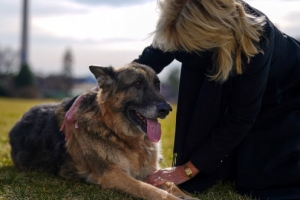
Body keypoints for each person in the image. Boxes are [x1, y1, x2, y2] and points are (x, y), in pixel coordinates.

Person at [61, 0, 300, 199]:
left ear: (208, 36)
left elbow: (242, 116)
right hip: (233, 75)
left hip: (287, 92)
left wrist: (186, 170)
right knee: (216, 169)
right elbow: (143, 65)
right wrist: (91, 95)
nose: (176, 48)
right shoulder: (179, 18)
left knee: (261, 180)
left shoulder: (257, 38)